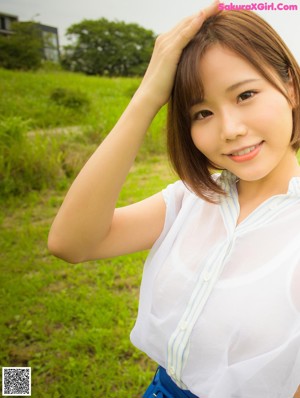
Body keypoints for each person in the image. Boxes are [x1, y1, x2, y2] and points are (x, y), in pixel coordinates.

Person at [48, 1, 300, 396]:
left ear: (290, 87)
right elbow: (71, 243)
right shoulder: (192, 199)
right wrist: (148, 95)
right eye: (202, 113)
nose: (230, 129)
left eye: (245, 94)